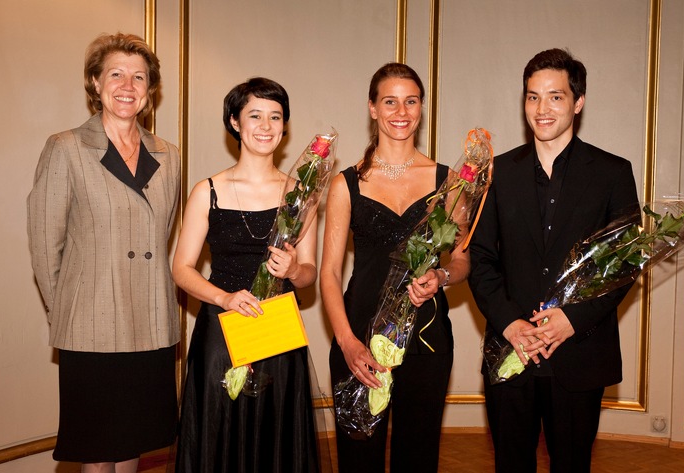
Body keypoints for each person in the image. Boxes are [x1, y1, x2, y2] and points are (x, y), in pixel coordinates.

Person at [468, 48, 640, 473]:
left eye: (555, 97)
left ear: (578, 102)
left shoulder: (613, 172)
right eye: (532, 97)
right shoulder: (497, 172)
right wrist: (510, 323)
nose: (541, 109)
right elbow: (482, 259)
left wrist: (572, 319)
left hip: (580, 353)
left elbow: (623, 265)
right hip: (511, 351)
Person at [27, 33, 181, 472]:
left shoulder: (168, 155)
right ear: (95, 83)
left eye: (139, 76)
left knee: (134, 441)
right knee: (96, 452)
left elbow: (161, 234)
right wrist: (72, 312)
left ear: (150, 90)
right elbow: (44, 245)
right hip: (90, 327)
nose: (127, 85)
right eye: (116, 74)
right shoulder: (66, 148)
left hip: (150, 322)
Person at [320, 62, 470, 473]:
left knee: (417, 455)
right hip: (361, 335)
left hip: (426, 336)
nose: (400, 112)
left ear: (421, 107)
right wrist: (348, 343)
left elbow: (462, 258)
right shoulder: (345, 184)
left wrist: (441, 277)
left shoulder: (449, 180)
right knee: (359, 456)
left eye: (411, 101)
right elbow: (329, 274)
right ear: (372, 108)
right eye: (390, 101)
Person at [173, 77, 320, 472]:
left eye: (276, 117)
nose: (266, 126)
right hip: (221, 334)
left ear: (285, 127)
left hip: (278, 336)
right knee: (219, 439)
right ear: (235, 123)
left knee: (275, 440)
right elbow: (181, 269)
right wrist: (224, 298)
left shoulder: (300, 195)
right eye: (255, 115)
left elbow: (309, 274)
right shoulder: (208, 191)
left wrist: (294, 269)